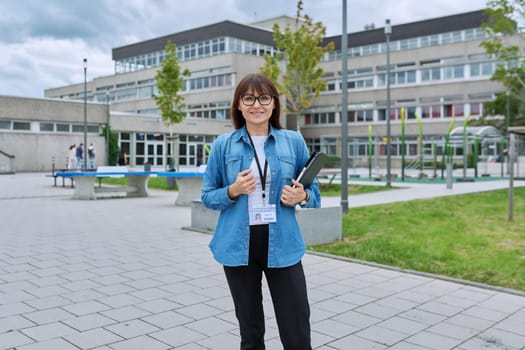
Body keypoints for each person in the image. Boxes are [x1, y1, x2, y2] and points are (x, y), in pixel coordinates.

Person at [201, 73, 320, 350]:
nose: (257, 104)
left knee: (298, 332)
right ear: (239, 105)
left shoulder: (293, 141)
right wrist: (233, 190)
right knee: (251, 333)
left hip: (283, 242)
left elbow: (314, 193)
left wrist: (301, 195)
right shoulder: (223, 145)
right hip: (237, 244)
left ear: (274, 104)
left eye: (264, 97)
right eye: (249, 98)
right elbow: (207, 196)